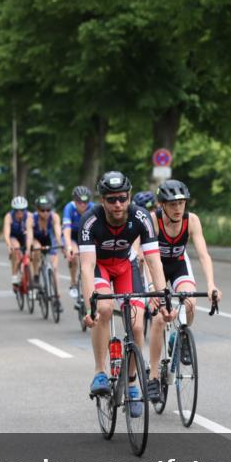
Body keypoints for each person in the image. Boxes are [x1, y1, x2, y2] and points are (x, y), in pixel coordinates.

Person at [80, 171, 170, 417]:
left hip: (125, 268)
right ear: (102, 200)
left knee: (137, 327)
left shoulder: (141, 216)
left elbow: (154, 261)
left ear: (129, 197)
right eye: (111, 199)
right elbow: (87, 267)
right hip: (100, 269)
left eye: (122, 198)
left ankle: (131, 383)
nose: (117, 204)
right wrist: (91, 307)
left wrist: (162, 298)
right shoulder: (90, 220)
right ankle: (100, 371)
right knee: (105, 309)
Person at [147, 180, 222, 388]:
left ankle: (181, 336)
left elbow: (203, 255)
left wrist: (211, 284)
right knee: (159, 319)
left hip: (178, 264)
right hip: (156, 267)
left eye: (181, 203)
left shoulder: (192, 221)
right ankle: (153, 375)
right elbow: (145, 258)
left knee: (189, 301)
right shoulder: (153, 221)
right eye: (172, 204)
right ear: (162, 205)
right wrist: (153, 289)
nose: (178, 208)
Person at [30, 195, 64, 304]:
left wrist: (61, 245)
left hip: (49, 239)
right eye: (42, 210)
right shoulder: (31, 218)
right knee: (36, 248)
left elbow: (58, 234)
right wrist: (28, 248)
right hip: (36, 239)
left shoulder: (54, 217)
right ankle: (36, 276)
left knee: (54, 268)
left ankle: (57, 297)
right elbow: (29, 237)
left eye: (48, 210)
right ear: (37, 209)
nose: (45, 212)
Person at [62, 185, 94, 298]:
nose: (82, 204)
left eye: (85, 202)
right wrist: (69, 247)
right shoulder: (69, 208)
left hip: (86, 234)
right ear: (74, 201)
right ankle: (73, 283)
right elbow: (66, 230)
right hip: (72, 236)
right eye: (79, 202)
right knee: (74, 255)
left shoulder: (92, 207)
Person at [2, 196, 33, 285]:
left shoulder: (29, 216)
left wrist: (29, 248)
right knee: (15, 248)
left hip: (25, 236)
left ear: (25, 209)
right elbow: (6, 234)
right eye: (17, 210)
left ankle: (31, 277)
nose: (19, 212)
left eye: (22, 210)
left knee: (31, 252)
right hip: (14, 236)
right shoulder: (9, 217)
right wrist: (9, 246)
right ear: (13, 210)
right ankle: (14, 275)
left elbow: (32, 233)